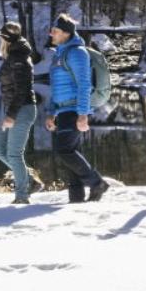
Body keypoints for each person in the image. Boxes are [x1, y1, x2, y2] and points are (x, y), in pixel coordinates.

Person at [44, 13, 107, 202]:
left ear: (65, 33)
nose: (51, 34)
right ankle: (76, 199)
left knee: (64, 150)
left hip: (73, 110)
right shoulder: (59, 54)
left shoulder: (78, 52)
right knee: (71, 154)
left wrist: (82, 114)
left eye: (54, 31)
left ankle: (97, 183)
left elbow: (84, 84)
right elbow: (56, 87)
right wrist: (51, 112)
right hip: (63, 110)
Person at [0, 21, 40, 204]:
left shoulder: (19, 60)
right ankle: (29, 180)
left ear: (6, 40)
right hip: (14, 110)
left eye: (1, 38)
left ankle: (22, 196)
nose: (0, 42)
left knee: (14, 154)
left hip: (22, 110)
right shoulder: (14, 57)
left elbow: (22, 91)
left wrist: (11, 116)